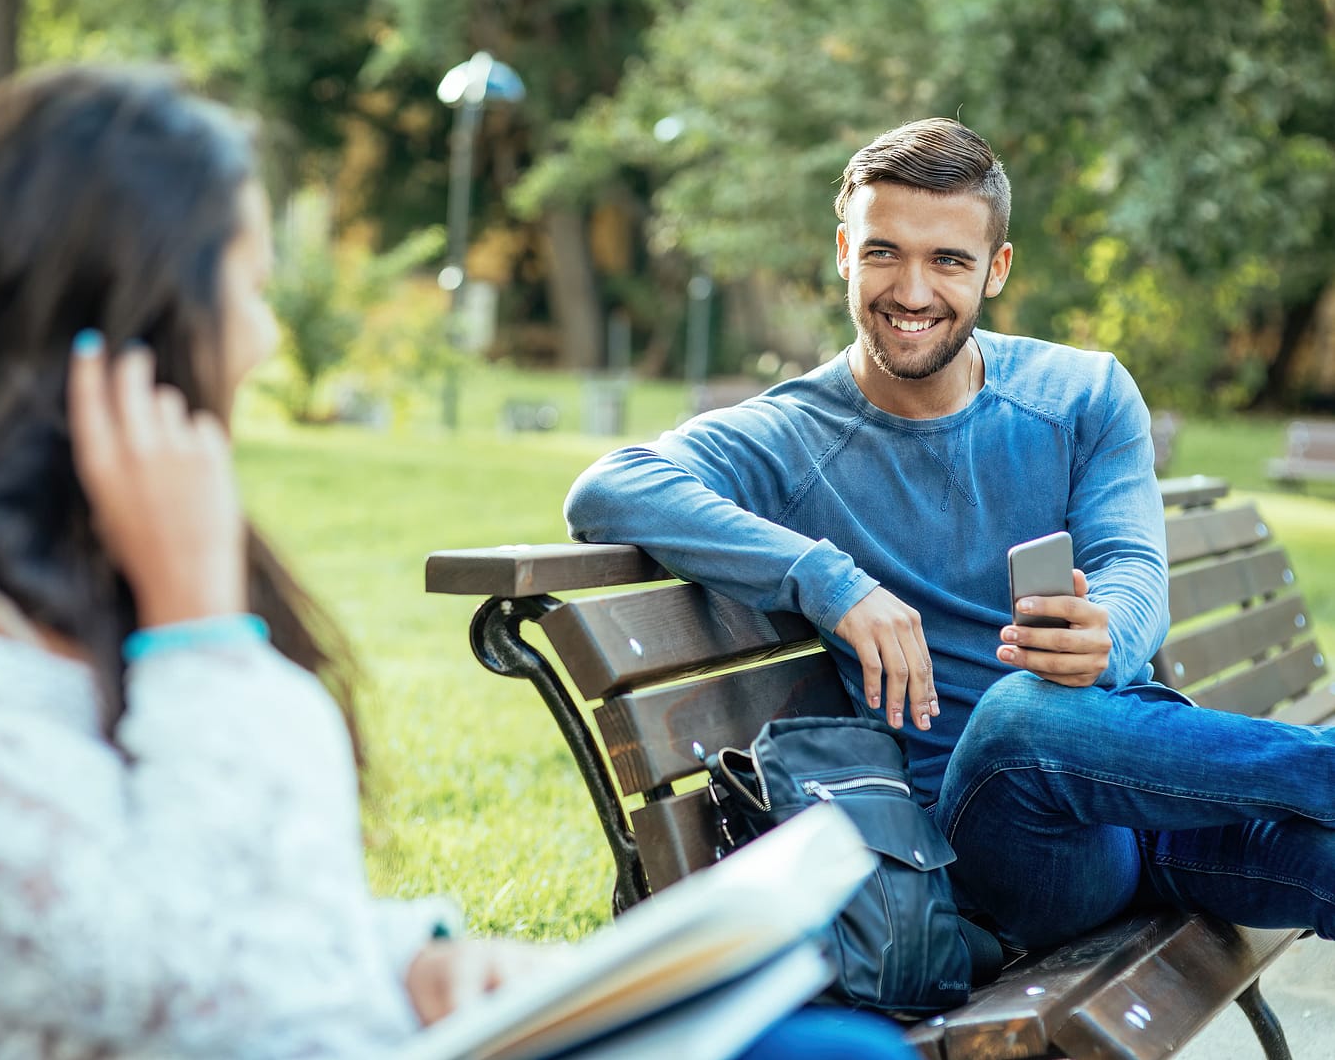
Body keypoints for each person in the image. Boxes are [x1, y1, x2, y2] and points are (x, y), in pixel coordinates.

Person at [0, 65, 913, 1060]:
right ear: (126, 314)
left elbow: (264, 907)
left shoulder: (119, 562)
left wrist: (421, 959)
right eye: (245, 287)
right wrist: (193, 626)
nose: (265, 338)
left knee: (832, 1045)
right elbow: (140, 984)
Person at [565, 117, 1335, 956]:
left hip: (1139, 801)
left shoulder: (1082, 394)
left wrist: (1107, 634)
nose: (911, 291)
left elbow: (1131, 567)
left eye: (948, 260)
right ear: (842, 252)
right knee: (1018, 718)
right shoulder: (795, 435)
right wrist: (829, 581)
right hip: (999, 851)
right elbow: (610, 486)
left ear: (995, 269)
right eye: (883, 251)